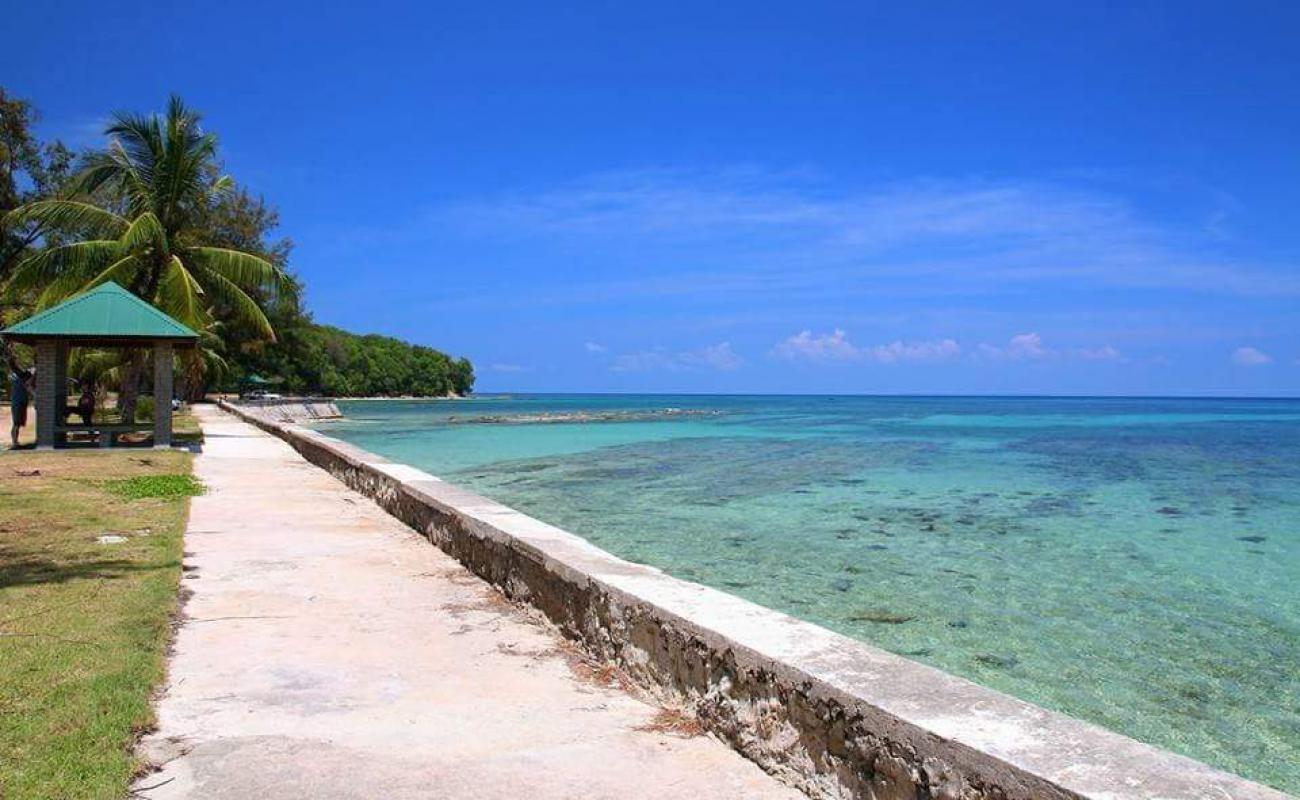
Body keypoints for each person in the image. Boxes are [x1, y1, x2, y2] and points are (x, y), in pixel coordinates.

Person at [9, 367, 33, 448]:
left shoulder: (19, 381)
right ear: (26, 378)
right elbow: (30, 390)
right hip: (18, 404)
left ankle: (15, 442)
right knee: (16, 424)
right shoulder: (23, 382)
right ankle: (14, 443)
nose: (30, 381)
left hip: (19, 403)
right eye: (30, 379)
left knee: (17, 424)